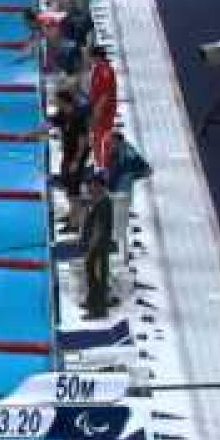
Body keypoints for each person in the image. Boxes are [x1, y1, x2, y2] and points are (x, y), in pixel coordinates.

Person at [43, 89, 91, 232]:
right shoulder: (63, 114)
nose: (55, 103)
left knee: (73, 190)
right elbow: (50, 124)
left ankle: (75, 223)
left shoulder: (78, 116)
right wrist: (30, 135)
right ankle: (72, 215)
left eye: (57, 101)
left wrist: (76, 161)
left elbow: (83, 141)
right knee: (67, 186)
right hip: (68, 155)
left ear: (64, 101)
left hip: (77, 156)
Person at [105, 132, 153, 258]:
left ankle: (123, 256)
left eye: (113, 142)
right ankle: (116, 248)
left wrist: (130, 177)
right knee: (113, 221)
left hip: (122, 194)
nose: (111, 144)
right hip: (113, 191)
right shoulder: (115, 152)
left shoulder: (128, 153)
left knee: (119, 225)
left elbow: (147, 170)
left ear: (119, 141)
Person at [80, 170, 117, 320]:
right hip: (95, 246)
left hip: (98, 248)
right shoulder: (99, 200)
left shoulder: (103, 204)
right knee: (92, 276)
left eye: (92, 185)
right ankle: (92, 302)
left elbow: (98, 230)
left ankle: (98, 309)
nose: (89, 188)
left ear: (99, 186)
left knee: (97, 277)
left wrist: (90, 249)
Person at [87, 46, 118, 169]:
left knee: (101, 137)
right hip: (98, 108)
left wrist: (96, 111)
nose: (91, 59)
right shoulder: (98, 69)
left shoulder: (105, 71)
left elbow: (105, 94)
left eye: (92, 57)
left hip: (104, 111)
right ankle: (100, 163)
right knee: (97, 137)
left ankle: (103, 165)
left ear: (98, 57)